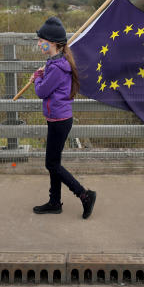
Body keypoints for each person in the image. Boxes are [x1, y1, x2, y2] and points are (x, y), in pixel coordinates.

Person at [30, 16, 96, 219]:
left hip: (59, 121)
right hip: (57, 119)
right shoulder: (55, 63)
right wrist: (42, 76)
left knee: (52, 164)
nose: (39, 43)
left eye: (42, 41)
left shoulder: (57, 68)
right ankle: (54, 202)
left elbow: (41, 92)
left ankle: (84, 195)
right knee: (54, 162)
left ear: (54, 44)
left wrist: (37, 79)